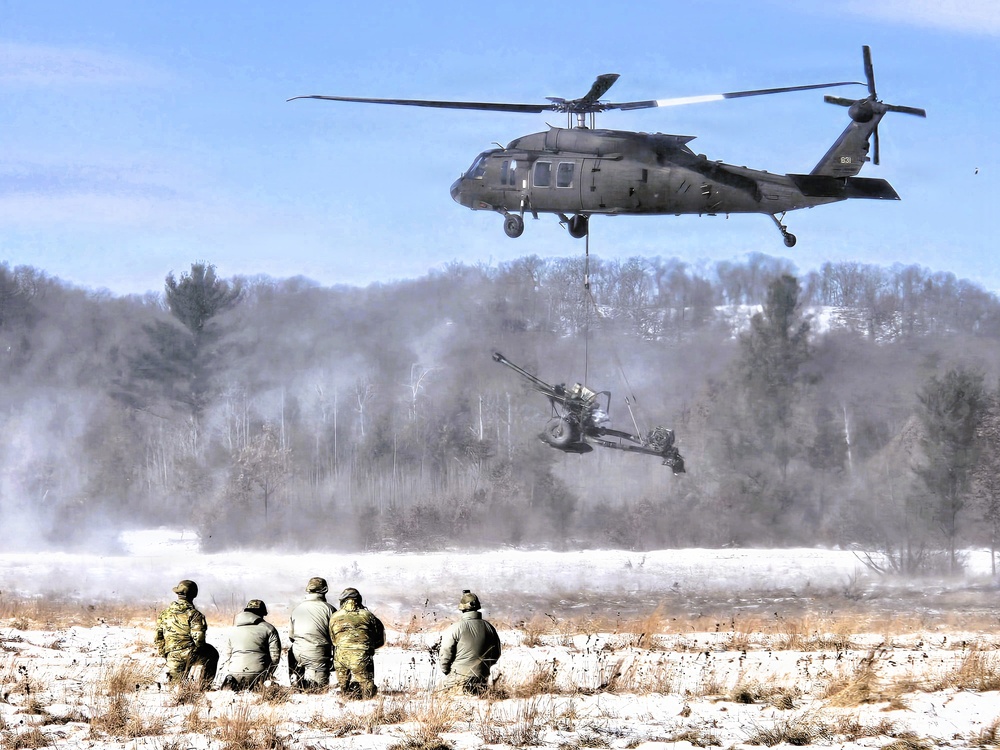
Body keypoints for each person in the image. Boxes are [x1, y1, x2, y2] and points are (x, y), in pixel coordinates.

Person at [154, 579, 219, 686]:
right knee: (212, 653)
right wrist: (196, 651)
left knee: (175, 686)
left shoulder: (165, 613)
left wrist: (166, 654)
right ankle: (204, 685)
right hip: (190, 654)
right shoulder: (194, 614)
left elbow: (158, 637)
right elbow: (199, 639)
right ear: (194, 594)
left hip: (171, 656)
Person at [439, 590, 501, 695]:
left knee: (438, 694)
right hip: (482, 679)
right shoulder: (489, 628)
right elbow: (496, 654)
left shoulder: (455, 628)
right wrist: (483, 668)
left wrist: (447, 671)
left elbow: (445, 654)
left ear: (462, 608)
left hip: (457, 680)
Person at [329, 587, 385, 699]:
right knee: (368, 694)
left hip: (341, 657)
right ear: (359, 599)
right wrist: (368, 648)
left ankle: (346, 692)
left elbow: (333, 640)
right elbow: (380, 638)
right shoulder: (368, 616)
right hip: (362, 656)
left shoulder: (334, 616)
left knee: (344, 691)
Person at [218, 599, 281, 691]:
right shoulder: (269, 629)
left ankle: (231, 683)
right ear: (262, 613)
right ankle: (264, 683)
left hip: (234, 673)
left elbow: (228, 656)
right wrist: (269, 673)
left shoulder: (233, 631)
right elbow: (275, 657)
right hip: (259, 674)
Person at [288, 576, 336, 689]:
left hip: (297, 653)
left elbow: (291, 636)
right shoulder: (330, 610)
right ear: (325, 590)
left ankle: (295, 678)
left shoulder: (297, 609)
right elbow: (336, 638)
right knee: (317, 689)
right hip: (318, 655)